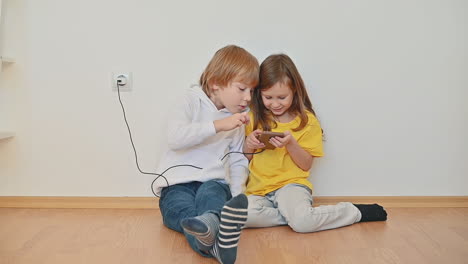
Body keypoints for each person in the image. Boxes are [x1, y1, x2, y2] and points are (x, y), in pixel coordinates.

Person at [243, 54, 387, 233]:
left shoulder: (307, 121)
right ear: (259, 93)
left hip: (291, 186)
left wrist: (291, 144)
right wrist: (249, 144)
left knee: (303, 223)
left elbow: (305, 165)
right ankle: (295, 215)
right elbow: (246, 159)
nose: (275, 104)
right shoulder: (252, 118)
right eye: (268, 97)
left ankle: (353, 211)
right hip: (257, 190)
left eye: (281, 97)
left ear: (294, 90)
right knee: (241, 216)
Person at [155, 45, 259, 263]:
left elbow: (238, 158)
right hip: (177, 184)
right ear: (216, 83)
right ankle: (215, 243)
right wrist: (218, 125)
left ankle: (213, 224)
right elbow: (175, 138)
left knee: (212, 199)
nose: (248, 97)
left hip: (213, 181)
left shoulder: (237, 119)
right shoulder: (189, 100)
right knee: (179, 212)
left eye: (251, 91)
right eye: (242, 89)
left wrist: (237, 193)